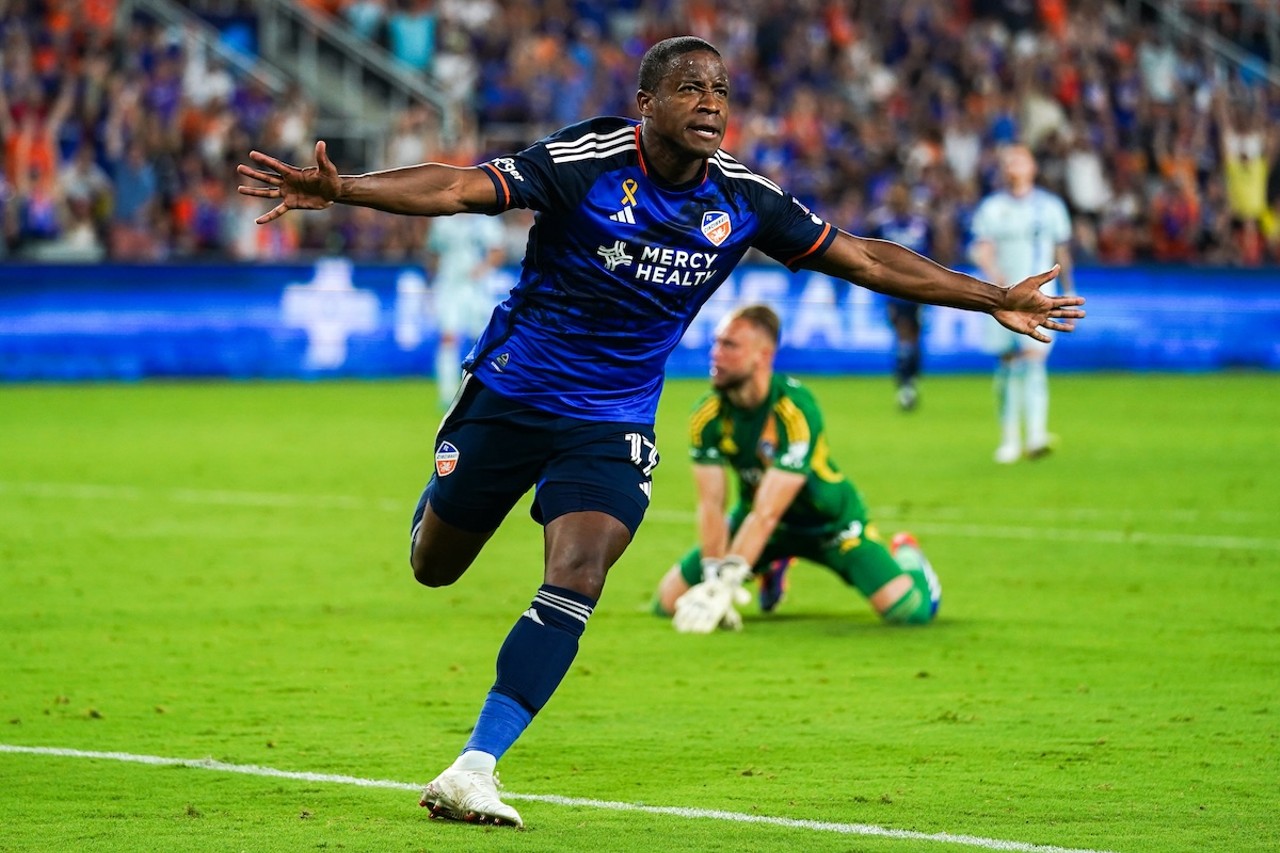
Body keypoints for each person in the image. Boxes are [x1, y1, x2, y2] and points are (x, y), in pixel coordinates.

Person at [237, 35, 1084, 830]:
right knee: (434, 565)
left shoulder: (744, 198)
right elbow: (462, 188)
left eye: (720, 90)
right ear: (645, 102)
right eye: (690, 88)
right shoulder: (590, 160)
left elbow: (862, 257)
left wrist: (992, 296)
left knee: (580, 570)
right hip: (511, 395)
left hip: (611, 420)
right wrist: (343, 189)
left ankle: (476, 764)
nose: (710, 102)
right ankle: (442, 500)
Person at [653, 304, 940, 631]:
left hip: (830, 528)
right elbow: (711, 504)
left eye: (729, 345)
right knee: (668, 602)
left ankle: (907, 553)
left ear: (762, 356)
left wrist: (728, 582)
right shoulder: (708, 414)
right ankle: (771, 564)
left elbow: (767, 511)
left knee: (910, 614)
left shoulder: (794, 409)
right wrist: (711, 576)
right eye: (717, 343)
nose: (715, 354)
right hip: (760, 527)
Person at [970, 144, 1076, 464]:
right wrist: (996, 279)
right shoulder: (991, 208)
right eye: (1008, 161)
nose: (1013, 165)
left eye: (1020, 159)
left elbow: (1061, 253)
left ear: (1032, 167)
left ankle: (1035, 435)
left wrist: (1069, 289)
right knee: (1007, 363)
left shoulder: (1051, 207)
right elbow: (982, 249)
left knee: (1034, 359)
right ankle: (1009, 440)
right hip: (1001, 296)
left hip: (1040, 297)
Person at [424, 214, 506, 408]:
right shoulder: (442, 221)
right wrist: (432, 281)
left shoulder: (486, 221)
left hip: (477, 288)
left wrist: (482, 269)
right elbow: (433, 253)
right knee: (448, 338)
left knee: (481, 339)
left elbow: (498, 252)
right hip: (448, 287)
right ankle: (447, 395)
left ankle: (483, 390)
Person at [866, 180, 932, 411]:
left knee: (914, 335)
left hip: (919, 289)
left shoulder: (921, 224)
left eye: (901, 195)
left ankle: (910, 379)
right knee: (904, 333)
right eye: (894, 196)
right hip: (892, 289)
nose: (897, 200)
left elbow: (932, 253)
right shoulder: (880, 223)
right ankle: (905, 383)